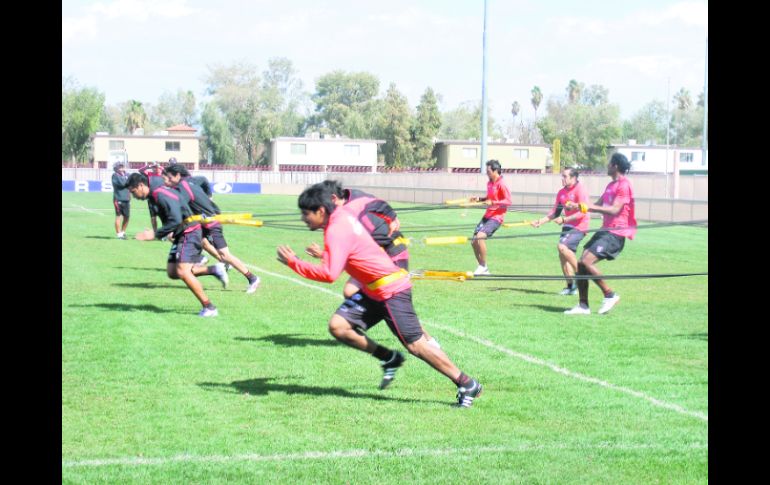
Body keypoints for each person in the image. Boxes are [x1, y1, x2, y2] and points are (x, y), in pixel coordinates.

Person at [277, 183, 483, 408]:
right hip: (373, 290)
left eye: (306, 213)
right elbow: (358, 231)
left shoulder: (337, 228)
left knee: (415, 345)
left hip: (390, 290)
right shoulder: (339, 220)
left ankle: (466, 382)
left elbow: (329, 274)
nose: (303, 218)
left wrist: (293, 263)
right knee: (339, 326)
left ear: (321, 211)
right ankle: (389, 357)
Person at [306, 180, 440, 348]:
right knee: (351, 291)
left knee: (389, 299)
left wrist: (392, 217)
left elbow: (355, 249)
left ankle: (426, 340)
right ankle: (418, 335)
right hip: (377, 254)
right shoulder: (347, 202)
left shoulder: (352, 208)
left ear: (333, 198)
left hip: (391, 253)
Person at [126, 172, 228, 317]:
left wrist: (154, 234)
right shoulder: (154, 194)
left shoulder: (160, 194)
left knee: (182, 271)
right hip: (181, 233)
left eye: (133, 191)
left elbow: (175, 219)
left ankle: (209, 307)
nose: (134, 196)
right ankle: (214, 270)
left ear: (141, 186)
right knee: (173, 272)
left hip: (190, 232)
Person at [163, 164, 260, 294]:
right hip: (202, 223)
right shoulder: (188, 183)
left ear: (178, 176)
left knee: (224, 254)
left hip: (211, 223)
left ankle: (252, 278)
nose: (167, 181)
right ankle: (201, 260)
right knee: (196, 241)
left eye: (169, 178)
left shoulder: (182, 187)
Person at [563, 153, 636, 315]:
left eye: (610, 163)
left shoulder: (624, 185)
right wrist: (576, 206)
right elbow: (595, 205)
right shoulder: (610, 185)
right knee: (581, 264)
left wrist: (586, 207)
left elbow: (615, 209)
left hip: (616, 232)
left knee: (586, 261)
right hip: (605, 230)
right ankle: (583, 306)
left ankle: (610, 294)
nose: (607, 166)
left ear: (615, 166)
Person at [531, 168, 590, 295]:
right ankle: (570, 287)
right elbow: (555, 213)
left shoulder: (581, 190)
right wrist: (540, 221)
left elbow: (583, 212)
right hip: (568, 225)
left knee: (562, 247)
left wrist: (564, 219)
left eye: (564, 176)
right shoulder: (561, 193)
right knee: (562, 254)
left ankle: (581, 275)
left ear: (573, 178)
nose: (562, 179)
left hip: (580, 226)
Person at [468, 159, 512, 275]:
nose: (487, 173)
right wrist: (479, 199)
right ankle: (483, 267)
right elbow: (489, 197)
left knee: (480, 236)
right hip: (487, 215)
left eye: (488, 171)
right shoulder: (490, 183)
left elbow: (508, 201)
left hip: (496, 217)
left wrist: (493, 203)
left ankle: (482, 266)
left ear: (496, 171)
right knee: (473, 242)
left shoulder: (502, 184)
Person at [138, 162, 165, 234]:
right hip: (151, 198)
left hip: (161, 198)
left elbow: (167, 171)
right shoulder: (149, 174)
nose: (155, 169)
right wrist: (149, 166)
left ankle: (164, 232)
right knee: (153, 216)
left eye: (156, 167)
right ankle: (155, 232)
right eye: (153, 167)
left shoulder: (163, 174)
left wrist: (160, 166)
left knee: (163, 216)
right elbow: (140, 170)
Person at [111, 163, 130, 239]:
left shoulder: (126, 175)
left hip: (126, 199)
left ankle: (122, 232)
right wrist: (126, 177)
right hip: (118, 199)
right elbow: (123, 184)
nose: (122, 169)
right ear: (116, 169)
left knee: (127, 217)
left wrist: (126, 177)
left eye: (122, 167)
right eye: (120, 168)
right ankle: (119, 234)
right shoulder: (115, 176)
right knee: (119, 216)